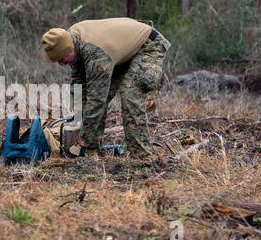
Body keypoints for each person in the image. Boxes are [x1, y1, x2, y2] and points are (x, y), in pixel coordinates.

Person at [42, 17, 170, 161]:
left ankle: (142, 158)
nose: (61, 64)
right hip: (119, 53)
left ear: (68, 48)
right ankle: (92, 151)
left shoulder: (96, 56)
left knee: (129, 94)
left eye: (62, 59)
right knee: (91, 98)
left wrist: (84, 139)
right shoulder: (71, 40)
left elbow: (97, 100)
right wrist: (78, 115)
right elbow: (80, 84)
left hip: (148, 46)